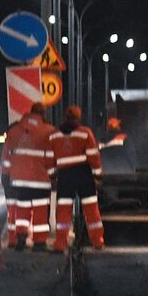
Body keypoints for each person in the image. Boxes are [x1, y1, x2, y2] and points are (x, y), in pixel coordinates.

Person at [3, 103, 57, 251]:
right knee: (40, 210)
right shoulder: (49, 131)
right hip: (40, 179)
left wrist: (6, 176)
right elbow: (51, 158)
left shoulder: (14, 131)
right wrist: (53, 176)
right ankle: (39, 243)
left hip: (19, 179)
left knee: (22, 208)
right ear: (43, 115)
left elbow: (6, 157)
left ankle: (21, 239)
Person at [49, 106, 104, 251]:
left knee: (64, 211)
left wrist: (52, 176)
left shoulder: (55, 135)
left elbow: (50, 158)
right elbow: (93, 155)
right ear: (79, 117)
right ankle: (97, 241)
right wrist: (98, 175)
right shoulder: (85, 133)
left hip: (65, 176)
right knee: (91, 209)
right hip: (83, 174)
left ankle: (60, 243)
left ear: (65, 117)